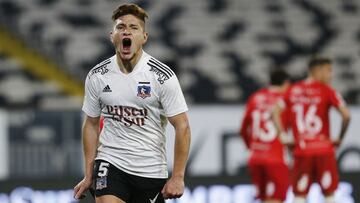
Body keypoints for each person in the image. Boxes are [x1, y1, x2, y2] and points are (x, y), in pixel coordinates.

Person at [73, 3, 191, 203]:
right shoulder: (97, 76)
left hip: (150, 170)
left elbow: (182, 126)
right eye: (121, 27)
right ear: (112, 36)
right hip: (111, 163)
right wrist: (88, 173)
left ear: (144, 37)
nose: (126, 31)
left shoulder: (161, 76)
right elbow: (91, 124)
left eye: (133, 27)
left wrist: (178, 176)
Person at [272, 56, 351, 203]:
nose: (330, 75)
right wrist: (340, 137)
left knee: (300, 194)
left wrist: (282, 136)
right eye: (328, 71)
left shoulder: (293, 90)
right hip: (323, 149)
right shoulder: (327, 90)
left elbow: (275, 111)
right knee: (329, 194)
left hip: (302, 149)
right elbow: (346, 116)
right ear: (317, 71)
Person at [240, 69, 291, 203]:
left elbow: (243, 129)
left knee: (263, 198)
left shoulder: (255, 98)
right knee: (277, 198)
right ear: (286, 84)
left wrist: (250, 148)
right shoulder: (284, 100)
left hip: (256, 157)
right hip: (275, 158)